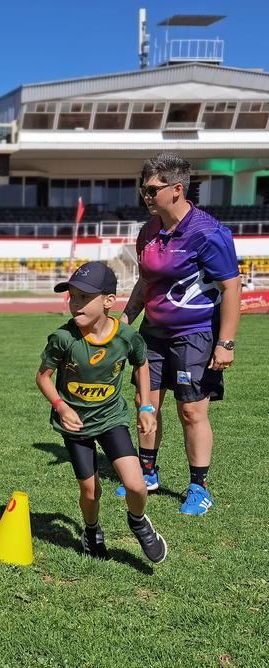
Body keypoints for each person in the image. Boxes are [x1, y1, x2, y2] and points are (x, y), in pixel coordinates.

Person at [119, 153, 240, 515]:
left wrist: (226, 343)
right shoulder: (149, 230)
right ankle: (147, 473)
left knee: (190, 411)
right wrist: (125, 319)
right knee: (147, 406)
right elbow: (145, 281)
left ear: (176, 189)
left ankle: (198, 487)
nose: (146, 194)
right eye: (143, 188)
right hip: (151, 334)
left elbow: (231, 288)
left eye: (152, 188)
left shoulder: (208, 232)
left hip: (195, 335)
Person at [36, 261, 167, 564]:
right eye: (72, 296)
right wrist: (61, 406)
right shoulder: (63, 338)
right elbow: (43, 377)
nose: (75, 303)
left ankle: (138, 521)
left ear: (109, 301)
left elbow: (142, 362)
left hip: (111, 418)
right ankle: (91, 530)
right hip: (76, 425)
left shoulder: (126, 337)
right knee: (91, 492)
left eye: (84, 297)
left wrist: (145, 405)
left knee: (136, 483)